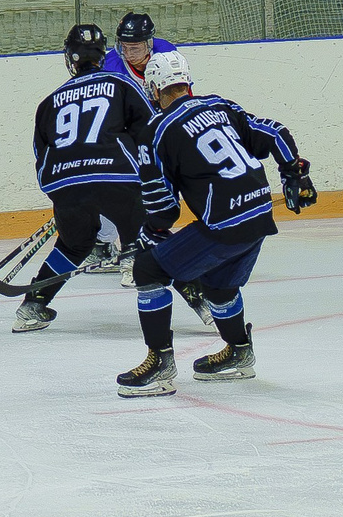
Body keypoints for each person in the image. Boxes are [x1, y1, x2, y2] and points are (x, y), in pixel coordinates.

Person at [116, 49, 316, 397]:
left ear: (153, 89)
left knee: (149, 271)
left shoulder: (155, 131)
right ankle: (239, 351)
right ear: (187, 83)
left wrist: (150, 235)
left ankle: (159, 362)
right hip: (259, 213)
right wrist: (293, 176)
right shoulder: (222, 106)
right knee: (218, 287)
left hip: (225, 224)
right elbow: (275, 132)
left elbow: (165, 211)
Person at [13, 24, 156, 334]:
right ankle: (202, 302)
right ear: (102, 56)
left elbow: (42, 156)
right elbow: (150, 131)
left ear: (71, 58)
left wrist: (63, 194)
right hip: (116, 178)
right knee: (150, 239)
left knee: (72, 245)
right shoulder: (120, 83)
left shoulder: (50, 101)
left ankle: (34, 303)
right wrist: (149, 178)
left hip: (67, 187)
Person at [86, 11, 180, 275]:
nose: (128, 53)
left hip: (160, 130)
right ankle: (106, 243)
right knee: (117, 189)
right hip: (126, 135)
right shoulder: (111, 65)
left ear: (149, 43)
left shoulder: (167, 54)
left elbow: (180, 95)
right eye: (124, 46)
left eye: (135, 47)